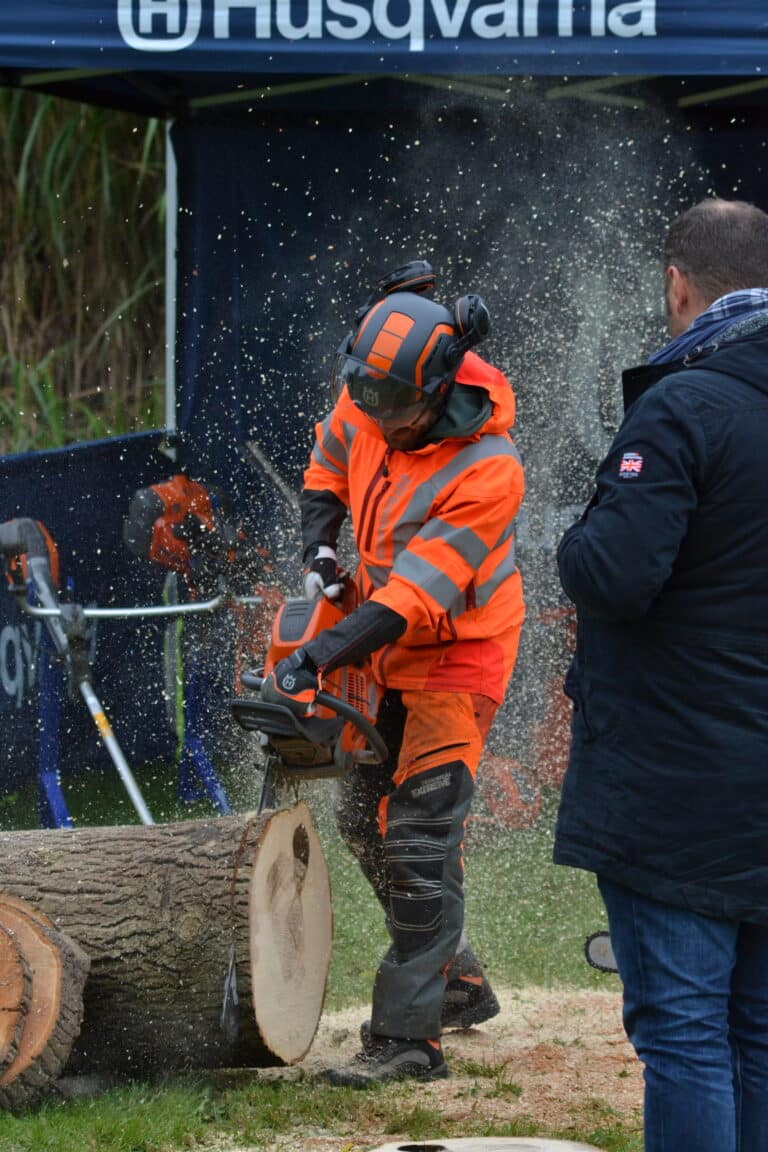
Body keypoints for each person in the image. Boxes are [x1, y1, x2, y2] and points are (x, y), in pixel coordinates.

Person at [261, 262, 525, 1085]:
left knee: (418, 838)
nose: (375, 418)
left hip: (456, 655)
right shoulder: (374, 393)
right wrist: (321, 552)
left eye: (393, 409)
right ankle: (456, 980)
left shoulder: (488, 470)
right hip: (380, 642)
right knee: (363, 821)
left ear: (439, 388)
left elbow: (415, 598)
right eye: (365, 400)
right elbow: (324, 471)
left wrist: (316, 656)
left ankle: (408, 1040)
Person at [554, 197, 768, 1152]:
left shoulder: (684, 402)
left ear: (678, 285)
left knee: (684, 1035)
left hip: (681, 780)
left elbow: (612, 575)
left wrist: (576, 528)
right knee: (757, 1034)